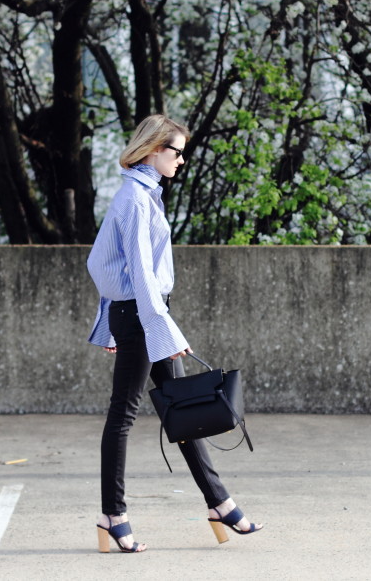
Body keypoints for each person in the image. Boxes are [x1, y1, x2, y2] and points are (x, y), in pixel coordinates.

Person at [86, 114, 263, 553]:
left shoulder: (145, 194)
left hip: (143, 314)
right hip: (142, 315)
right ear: (152, 150)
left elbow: (122, 268)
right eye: (176, 151)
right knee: (123, 415)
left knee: (181, 408)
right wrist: (161, 327)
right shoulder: (134, 198)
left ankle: (218, 502)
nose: (182, 160)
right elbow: (138, 275)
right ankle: (113, 514)